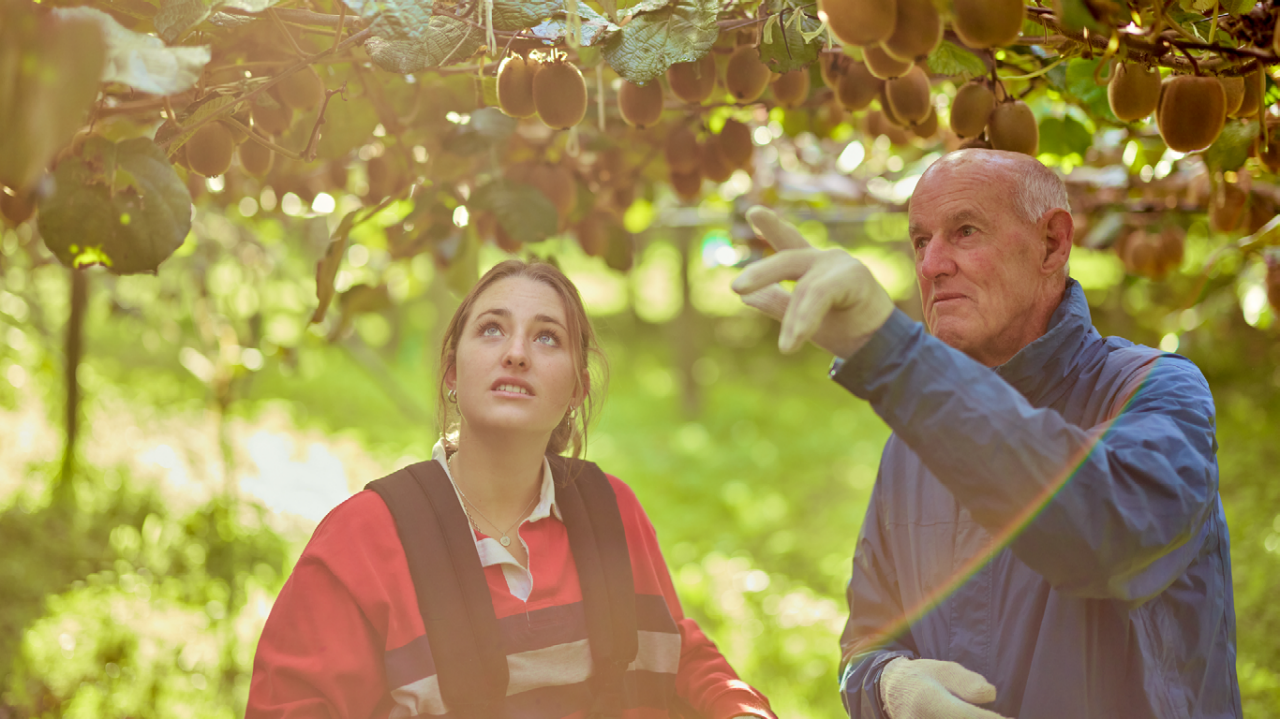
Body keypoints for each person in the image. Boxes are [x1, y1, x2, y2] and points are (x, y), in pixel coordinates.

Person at [731, 149, 1240, 719]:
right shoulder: (912, 438)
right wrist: (889, 686)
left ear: (1053, 244)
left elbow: (1104, 532)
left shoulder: (1154, 389)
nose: (930, 265)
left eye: (964, 231)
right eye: (921, 241)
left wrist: (893, 358)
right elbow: (865, 641)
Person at [247, 260, 775, 719]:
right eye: (492, 330)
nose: (517, 353)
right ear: (451, 370)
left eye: (547, 337)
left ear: (577, 388)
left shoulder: (612, 510)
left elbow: (675, 649)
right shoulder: (361, 539)